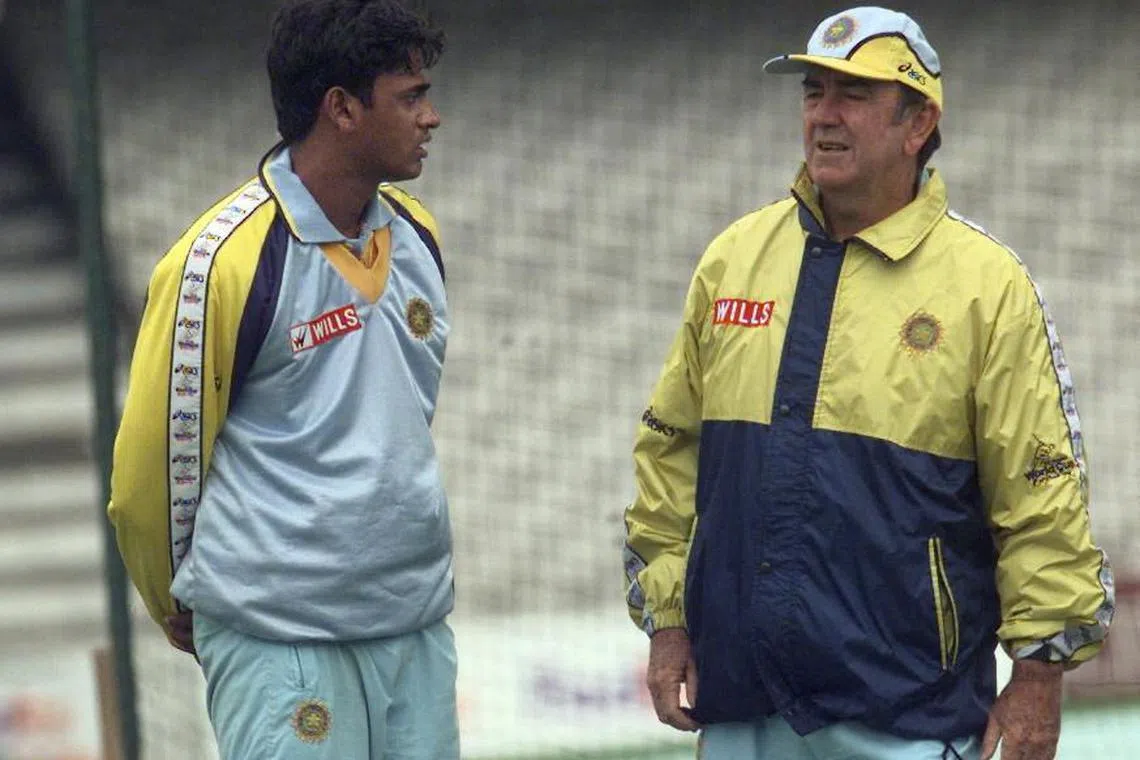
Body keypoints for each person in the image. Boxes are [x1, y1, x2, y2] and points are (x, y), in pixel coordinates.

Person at [622, 6, 1114, 760]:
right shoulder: (732, 260)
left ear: (918, 122)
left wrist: (1039, 676)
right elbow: (669, 454)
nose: (823, 115)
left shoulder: (990, 288)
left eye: (852, 95)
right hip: (741, 707)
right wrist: (667, 620)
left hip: (909, 718)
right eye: (814, 92)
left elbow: (1041, 495)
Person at [107, 1, 456, 758]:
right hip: (282, 641)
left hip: (414, 628)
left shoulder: (419, 235)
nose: (431, 117)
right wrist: (177, 597)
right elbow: (150, 473)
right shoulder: (217, 263)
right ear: (341, 109)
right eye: (410, 97)